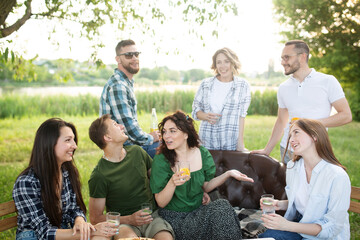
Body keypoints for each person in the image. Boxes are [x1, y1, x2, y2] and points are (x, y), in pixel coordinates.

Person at [150, 111, 254, 240]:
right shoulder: (162, 159)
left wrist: (228, 174)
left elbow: (205, 186)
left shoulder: (202, 153)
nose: (166, 136)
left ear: (186, 134)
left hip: (198, 213)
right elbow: (161, 202)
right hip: (174, 217)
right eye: (164, 131)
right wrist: (172, 182)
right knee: (221, 209)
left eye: (172, 131)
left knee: (222, 205)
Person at [12, 118, 117, 240]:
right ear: (49, 143)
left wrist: (79, 222)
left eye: (73, 140)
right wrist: (92, 231)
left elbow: (75, 208)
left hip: (63, 231)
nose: (75, 146)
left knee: (102, 238)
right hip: (34, 236)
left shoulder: (66, 172)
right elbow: (44, 232)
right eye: (68, 140)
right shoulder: (26, 183)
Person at [252, 40, 352, 164]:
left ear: (302, 56)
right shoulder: (283, 87)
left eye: (287, 57)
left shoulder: (327, 81)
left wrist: (309, 125)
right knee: (290, 184)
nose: (283, 62)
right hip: (288, 150)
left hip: (316, 150)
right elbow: (281, 121)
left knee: (315, 183)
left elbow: (346, 115)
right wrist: (267, 150)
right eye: (282, 58)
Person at [259, 118, 351, 239]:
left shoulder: (336, 176)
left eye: (296, 132)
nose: (291, 139)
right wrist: (279, 204)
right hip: (300, 224)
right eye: (290, 135)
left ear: (314, 136)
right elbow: (307, 202)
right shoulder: (293, 166)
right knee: (267, 236)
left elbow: (332, 227)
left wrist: (286, 225)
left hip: (325, 236)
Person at [88, 114, 174, 240]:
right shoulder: (99, 175)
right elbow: (95, 218)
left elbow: (159, 180)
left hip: (152, 217)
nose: (122, 126)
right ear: (107, 137)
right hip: (124, 224)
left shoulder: (137, 152)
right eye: (115, 125)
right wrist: (129, 219)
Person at [99, 39, 159, 158]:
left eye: (136, 54)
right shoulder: (118, 86)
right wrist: (151, 137)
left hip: (128, 144)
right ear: (118, 59)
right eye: (128, 55)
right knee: (171, 148)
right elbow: (128, 127)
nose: (134, 58)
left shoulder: (125, 83)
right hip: (123, 149)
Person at [192, 47, 251, 151]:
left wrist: (240, 145)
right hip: (206, 141)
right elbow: (195, 110)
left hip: (230, 143)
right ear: (215, 65)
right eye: (219, 62)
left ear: (233, 63)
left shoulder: (243, 86)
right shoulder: (206, 84)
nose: (222, 66)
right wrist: (205, 116)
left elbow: (242, 116)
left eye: (226, 61)